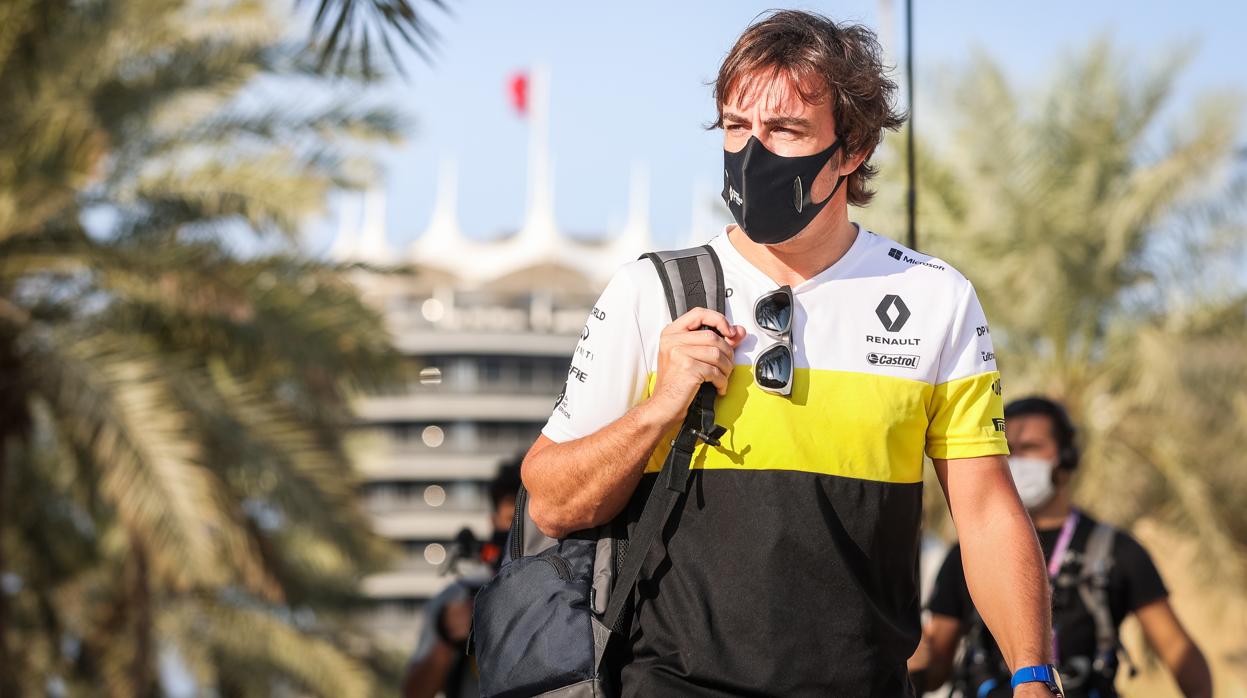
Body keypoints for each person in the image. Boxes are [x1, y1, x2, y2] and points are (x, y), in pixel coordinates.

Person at [521, 11, 1060, 697]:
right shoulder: (649, 290)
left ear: (852, 148)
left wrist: (1033, 675)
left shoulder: (934, 299)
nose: (752, 153)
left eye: (784, 130)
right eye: (737, 127)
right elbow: (553, 502)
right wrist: (659, 408)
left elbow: (985, 511)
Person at [910, 396, 1213, 698]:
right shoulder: (968, 552)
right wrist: (917, 658)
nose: (1016, 461)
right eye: (1007, 450)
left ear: (1067, 458)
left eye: (1029, 448)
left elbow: (1176, 647)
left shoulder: (1116, 551)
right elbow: (937, 667)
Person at [402, 460, 521, 698]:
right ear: (494, 522)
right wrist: (447, 637)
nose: (519, 534)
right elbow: (415, 693)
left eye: (527, 524)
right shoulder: (460, 595)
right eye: (512, 520)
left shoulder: (572, 589)